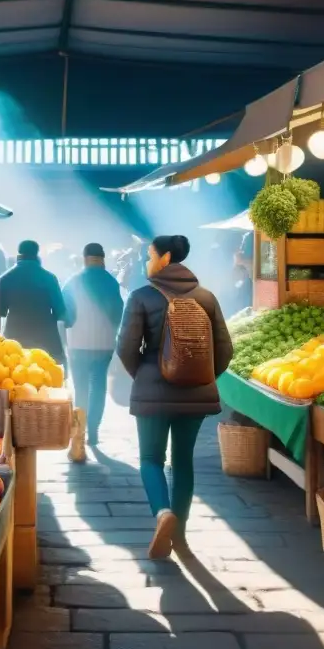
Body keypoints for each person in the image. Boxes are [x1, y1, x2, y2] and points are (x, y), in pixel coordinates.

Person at [116, 234, 233, 559]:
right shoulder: (206, 297)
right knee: (183, 461)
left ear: (165, 258)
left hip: (153, 391)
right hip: (196, 394)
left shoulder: (141, 297)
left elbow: (126, 347)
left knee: (151, 459)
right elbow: (225, 349)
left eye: (149, 256)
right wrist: (202, 376)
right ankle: (178, 533)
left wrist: (143, 375)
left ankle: (162, 513)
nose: (145, 261)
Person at [62, 243, 124, 445]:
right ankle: (94, 430)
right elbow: (118, 313)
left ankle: (79, 430)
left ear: (85, 258)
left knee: (80, 387)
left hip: (78, 342)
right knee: (98, 386)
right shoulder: (111, 282)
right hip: (104, 343)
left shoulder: (73, 281)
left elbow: (65, 314)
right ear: (103, 258)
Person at [0, 240, 66, 363]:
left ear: (18, 254)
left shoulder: (5, 278)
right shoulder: (49, 278)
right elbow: (60, 311)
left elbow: (0, 311)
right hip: (45, 340)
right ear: (36, 253)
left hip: (15, 340)